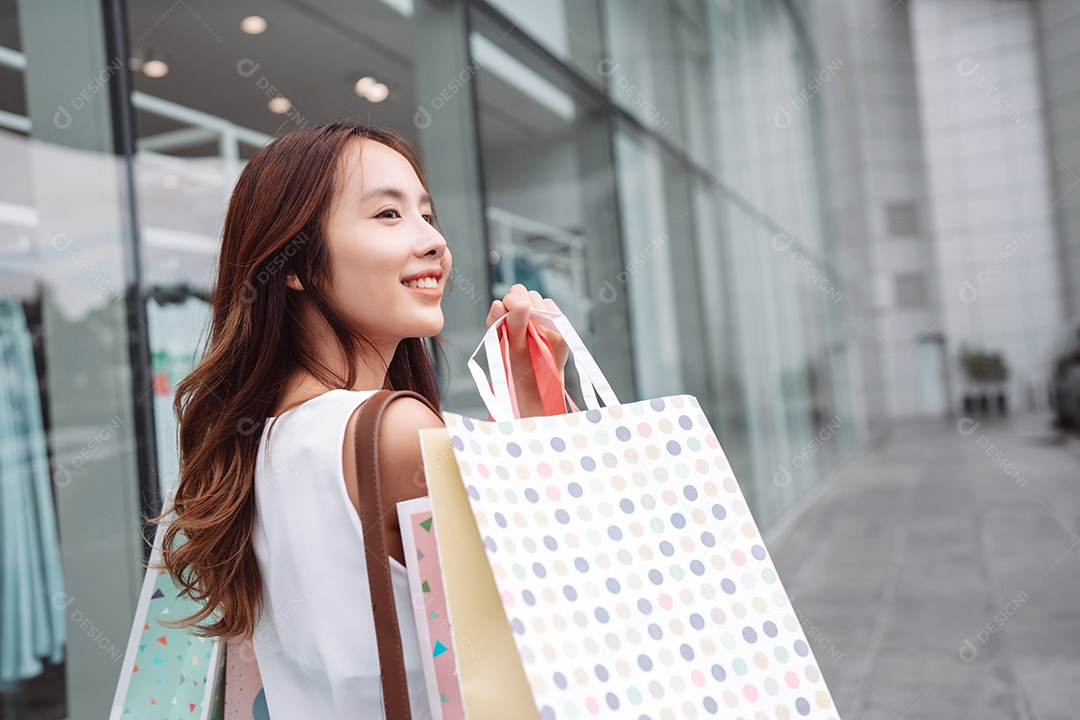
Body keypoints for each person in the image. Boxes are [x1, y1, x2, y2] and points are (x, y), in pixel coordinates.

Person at [153, 120, 568, 718]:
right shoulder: (400, 434)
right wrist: (536, 406)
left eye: (426, 214)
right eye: (387, 215)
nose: (432, 242)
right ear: (292, 266)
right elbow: (560, 594)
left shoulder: (258, 441)